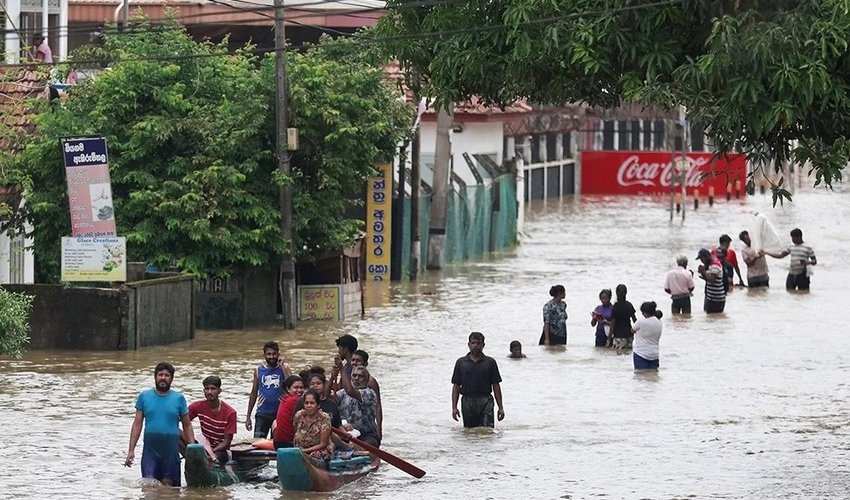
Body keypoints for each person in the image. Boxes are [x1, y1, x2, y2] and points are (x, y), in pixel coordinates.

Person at [124, 362, 194, 487]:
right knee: (149, 486)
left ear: (171, 378)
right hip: (150, 452)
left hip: (171, 452)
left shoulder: (179, 398)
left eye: (167, 375)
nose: (163, 377)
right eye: (160, 374)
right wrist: (131, 450)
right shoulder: (144, 397)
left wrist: (192, 448)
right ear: (155, 377)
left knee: (169, 489)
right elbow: (137, 424)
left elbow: (187, 425)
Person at [451, 331, 504, 428]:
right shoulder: (461, 363)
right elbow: (456, 386)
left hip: (486, 400)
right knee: (469, 431)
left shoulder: (490, 362)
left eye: (478, 343)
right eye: (473, 343)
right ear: (469, 344)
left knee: (487, 430)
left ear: (483, 345)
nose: (475, 345)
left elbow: (496, 385)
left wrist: (500, 408)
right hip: (467, 401)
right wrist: (454, 407)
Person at [246, 341, 291, 438]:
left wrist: (283, 367)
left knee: (277, 444)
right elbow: (253, 393)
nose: (271, 357)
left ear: (278, 354)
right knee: (257, 443)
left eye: (274, 354)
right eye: (269, 354)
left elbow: (291, 387)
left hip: (280, 413)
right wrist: (248, 416)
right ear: (264, 355)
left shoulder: (285, 368)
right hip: (262, 414)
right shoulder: (258, 370)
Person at [187, 376, 237, 464]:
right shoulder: (197, 406)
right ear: (204, 391)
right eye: (207, 389)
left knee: (215, 457)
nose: (209, 392)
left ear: (219, 391)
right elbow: (184, 421)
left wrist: (211, 451)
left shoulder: (230, 413)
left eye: (213, 389)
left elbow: (226, 441)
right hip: (204, 445)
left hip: (220, 449)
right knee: (178, 433)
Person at [333, 363, 380, 447]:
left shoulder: (369, 393)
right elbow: (328, 399)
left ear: (366, 380)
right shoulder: (343, 393)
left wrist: (341, 369)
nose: (356, 378)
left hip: (366, 435)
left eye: (360, 376)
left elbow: (350, 391)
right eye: (354, 376)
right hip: (346, 433)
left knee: (362, 446)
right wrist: (332, 378)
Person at [350, 349, 383, 441]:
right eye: (353, 360)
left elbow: (377, 405)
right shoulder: (349, 377)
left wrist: (379, 429)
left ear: (365, 364)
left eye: (358, 360)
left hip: (365, 426)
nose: (355, 363)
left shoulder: (370, 381)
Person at [293, 389, 334, 460]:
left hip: (319, 450)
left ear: (318, 405)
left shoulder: (324, 418)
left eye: (312, 403)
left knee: (315, 456)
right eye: (306, 403)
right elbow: (296, 432)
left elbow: (323, 444)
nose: (309, 406)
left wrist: (304, 451)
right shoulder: (299, 415)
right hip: (300, 450)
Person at [273, 375, 306, 449]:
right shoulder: (295, 400)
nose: (299, 390)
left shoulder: (285, 399)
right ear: (288, 389)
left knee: (274, 422)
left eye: (301, 387)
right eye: (296, 387)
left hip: (277, 443)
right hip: (288, 443)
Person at [632, 302, 663, 370]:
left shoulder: (641, 321)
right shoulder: (659, 322)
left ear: (645, 312)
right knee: (653, 377)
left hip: (641, 353)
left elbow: (632, 330)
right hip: (654, 355)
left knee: (641, 377)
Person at [697, 248, 726, 313]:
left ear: (706, 257)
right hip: (711, 297)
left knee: (713, 319)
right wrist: (703, 273)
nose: (702, 261)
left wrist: (703, 271)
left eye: (702, 259)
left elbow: (712, 280)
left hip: (716, 299)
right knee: (710, 319)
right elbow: (709, 279)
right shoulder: (710, 264)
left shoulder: (715, 265)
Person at [608, 284, 637, 351]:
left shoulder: (616, 306)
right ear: (626, 293)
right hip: (629, 334)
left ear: (616, 293)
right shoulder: (629, 305)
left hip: (618, 335)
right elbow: (635, 321)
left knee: (618, 356)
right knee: (627, 355)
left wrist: (609, 339)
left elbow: (613, 324)